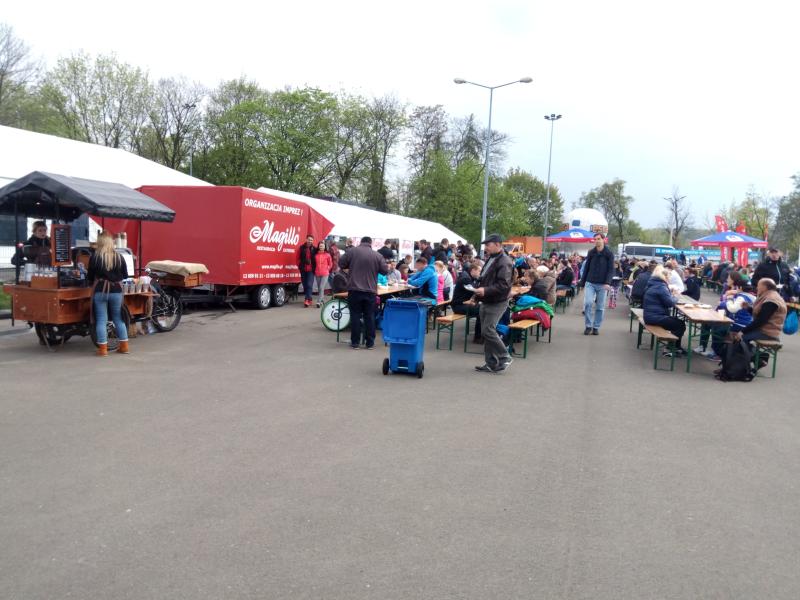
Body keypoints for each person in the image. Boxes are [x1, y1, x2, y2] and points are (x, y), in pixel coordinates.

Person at [338, 236, 388, 349]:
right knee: (369, 316)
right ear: (371, 243)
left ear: (361, 242)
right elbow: (385, 271)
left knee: (355, 315)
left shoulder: (352, 251)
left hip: (354, 290)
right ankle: (369, 343)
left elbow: (341, 263)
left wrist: (350, 265)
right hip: (370, 291)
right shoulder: (377, 255)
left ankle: (355, 343)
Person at [473, 234, 513, 373]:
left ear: (497, 244)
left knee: (487, 330)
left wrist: (485, 290)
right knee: (487, 332)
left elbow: (504, 285)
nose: (486, 247)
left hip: (497, 301)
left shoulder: (504, 261)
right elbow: (483, 280)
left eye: (488, 245)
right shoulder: (492, 258)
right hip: (488, 300)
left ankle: (504, 356)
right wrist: (475, 296)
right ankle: (491, 363)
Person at [87, 231, 129, 357]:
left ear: (100, 242)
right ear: (111, 242)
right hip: (116, 291)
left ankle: (103, 350)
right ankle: (124, 347)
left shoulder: (95, 257)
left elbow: (90, 277)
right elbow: (125, 275)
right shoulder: (119, 257)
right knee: (118, 318)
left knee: (101, 320)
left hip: (100, 290)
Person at [643, 265, 687, 356]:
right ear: (665, 277)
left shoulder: (653, 283)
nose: (669, 280)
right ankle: (670, 349)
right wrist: (675, 297)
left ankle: (676, 347)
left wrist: (670, 295)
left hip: (650, 316)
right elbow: (670, 303)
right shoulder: (661, 286)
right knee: (680, 325)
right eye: (669, 278)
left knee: (678, 322)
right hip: (654, 317)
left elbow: (665, 300)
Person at [579, 233, 615, 335]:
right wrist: (582, 283)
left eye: (598, 239)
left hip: (603, 284)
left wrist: (608, 282)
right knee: (588, 303)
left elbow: (611, 270)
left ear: (604, 240)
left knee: (600, 307)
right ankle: (588, 326)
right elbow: (586, 268)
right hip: (590, 282)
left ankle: (596, 327)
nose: (596, 241)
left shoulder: (609, 253)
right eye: (595, 239)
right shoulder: (591, 252)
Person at [452, 262, 482, 343]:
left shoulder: (468, 277)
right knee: (482, 310)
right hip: (458, 306)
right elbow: (474, 290)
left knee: (482, 309)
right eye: (479, 271)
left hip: (461, 304)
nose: (480, 273)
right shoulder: (465, 278)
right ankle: (478, 337)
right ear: (473, 270)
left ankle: (480, 336)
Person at [297, 235, 317, 307]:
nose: (310, 241)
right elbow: (297, 257)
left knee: (309, 284)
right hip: (303, 269)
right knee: (305, 285)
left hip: (311, 270)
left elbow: (318, 258)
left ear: (313, 241)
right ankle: (310, 298)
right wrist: (299, 265)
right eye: (309, 239)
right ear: (306, 239)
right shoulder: (301, 247)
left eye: (311, 240)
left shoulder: (315, 249)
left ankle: (307, 299)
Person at [313, 240, 333, 307]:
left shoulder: (327, 255)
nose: (321, 247)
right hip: (317, 273)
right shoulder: (316, 255)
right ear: (318, 247)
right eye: (320, 246)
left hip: (325, 273)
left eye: (322, 246)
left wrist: (327, 269)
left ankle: (318, 302)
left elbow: (330, 264)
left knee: (321, 287)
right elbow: (314, 264)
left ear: (325, 247)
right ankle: (322, 300)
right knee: (319, 288)